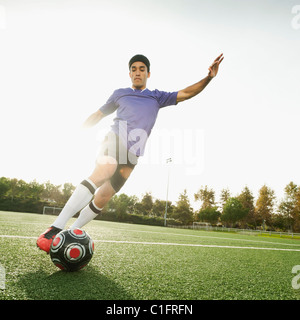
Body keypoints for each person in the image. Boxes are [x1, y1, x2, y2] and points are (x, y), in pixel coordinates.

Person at [37, 53, 224, 253]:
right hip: (115, 139)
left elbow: (186, 93)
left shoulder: (157, 97)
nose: (137, 72)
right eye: (134, 69)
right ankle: (55, 228)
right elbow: (99, 114)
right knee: (105, 169)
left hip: (133, 153)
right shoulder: (120, 93)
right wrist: (78, 130)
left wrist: (208, 78)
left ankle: (69, 234)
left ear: (148, 74)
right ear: (129, 73)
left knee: (104, 196)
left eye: (141, 69)